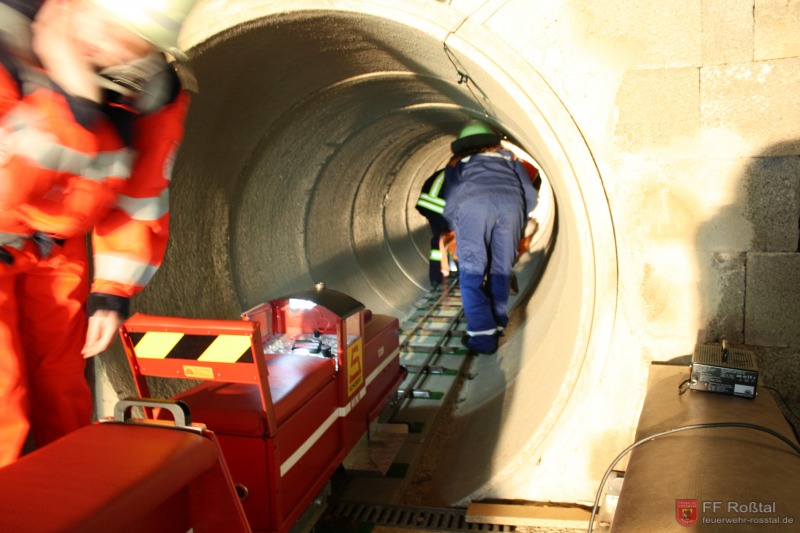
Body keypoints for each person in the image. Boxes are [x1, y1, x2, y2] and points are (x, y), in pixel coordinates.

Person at [0, 0, 198, 466]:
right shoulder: (8, 50)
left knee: (62, 389)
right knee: (2, 398)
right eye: (98, 18)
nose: (101, 39)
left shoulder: (150, 94)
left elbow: (140, 199)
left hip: (57, 254)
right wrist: (72, 102)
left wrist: (112, 291)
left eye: (121, 33)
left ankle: (66, 500)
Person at [443, 120, 538, 355]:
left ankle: (483, 339)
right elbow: (530, 196)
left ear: (464, 147)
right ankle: (496, 325)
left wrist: (457, 226)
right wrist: (518, 218)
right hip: (511, 208)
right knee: (501, 270)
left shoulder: (458, 165)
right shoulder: (511, 161)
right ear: (491, 142)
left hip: (473, 208)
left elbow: (452, 201)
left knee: (472, 274)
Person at [415, 156, 458, 290]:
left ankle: (436, 277)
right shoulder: (460, 175)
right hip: (440, 208)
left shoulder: (443, 173)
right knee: (457, 239)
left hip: (428, 206)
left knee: (438, 239)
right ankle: (464, 275)